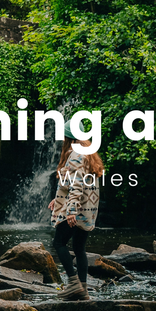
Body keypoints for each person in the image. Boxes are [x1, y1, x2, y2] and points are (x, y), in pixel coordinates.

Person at [48, 126, 104, 301]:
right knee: (79, 248)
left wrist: (71, 210)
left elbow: (77, 184)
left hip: (76, 209)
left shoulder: (76, 154)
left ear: (69, 138)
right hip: (87, 209)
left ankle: (73, 284)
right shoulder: (88, 153)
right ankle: (83, 289)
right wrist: (58, 199)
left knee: (59, 243)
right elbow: (74, 183)